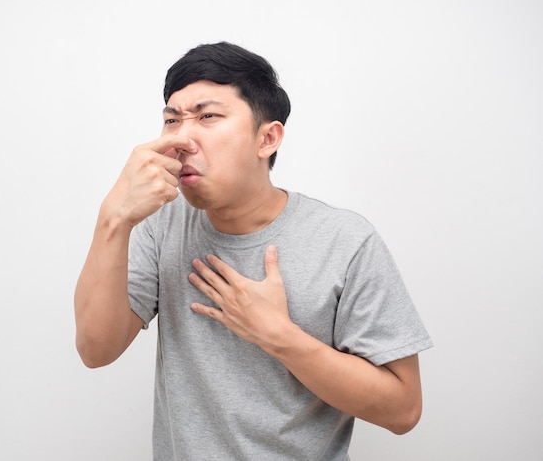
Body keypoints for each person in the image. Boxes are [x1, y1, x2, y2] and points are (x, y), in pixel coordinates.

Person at [74, 41, 432, 460]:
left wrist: (278, 336)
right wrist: (113, 219)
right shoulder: (159, 222)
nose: (182, 138)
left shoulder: (346, 240)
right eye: (172, 120)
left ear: (268, 138)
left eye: (208, 116)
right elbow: (95, 350)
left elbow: (403, 410)